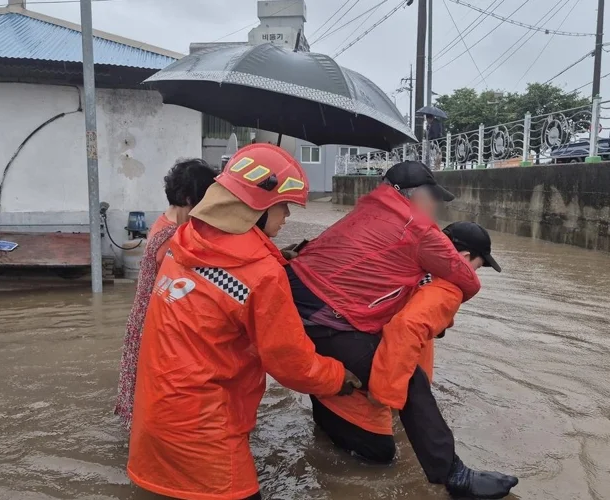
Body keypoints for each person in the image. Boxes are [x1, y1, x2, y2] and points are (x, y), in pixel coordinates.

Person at [127, 143, 361, 500]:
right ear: (258, 207)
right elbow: (290, 362)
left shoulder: (183, 241)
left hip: (154, 418)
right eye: (283, 206)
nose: (287, 217)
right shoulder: (261, 274)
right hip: (206, 428)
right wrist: (336, 377)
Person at [285, 162, 514, 498]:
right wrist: (388, 394)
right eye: (432, 198)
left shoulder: (369, 219)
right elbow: (411, 328)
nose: (435, 208)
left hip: (301, 316)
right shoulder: (423, 240)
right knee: (396, 418)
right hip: (326, 323)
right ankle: (454, 475)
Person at [114, 158, 217, 430]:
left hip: (146, 318)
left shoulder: (164, 222)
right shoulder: (174, 238)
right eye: (204, 199)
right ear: (187, 198)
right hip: (156, 324)